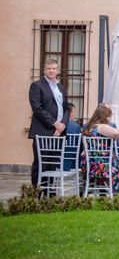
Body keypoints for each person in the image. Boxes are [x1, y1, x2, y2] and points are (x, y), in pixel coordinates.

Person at [28, 58, 72, 186]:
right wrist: (55, 124)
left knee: (53, 164)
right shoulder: (36, 86)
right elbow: (37, 108)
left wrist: (62, 124)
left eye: (54, 68)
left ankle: (50, 194)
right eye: (49, 68)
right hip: (43, 131)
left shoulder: (61, 87)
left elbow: (67, 108)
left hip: (58, 132)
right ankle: (36, 193)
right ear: (44, 70)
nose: (51, 71)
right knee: (41, 163)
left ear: (57, 70)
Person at [80, 105, 119, 194]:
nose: (110, 119)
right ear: (104, 116)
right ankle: (114, 191)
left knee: (117, 161)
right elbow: (116, 132)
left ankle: (105, 189)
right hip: (101, 163)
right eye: (109, 116)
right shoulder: (101, 126)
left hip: (88, 163)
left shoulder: (89, 126)